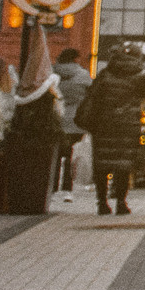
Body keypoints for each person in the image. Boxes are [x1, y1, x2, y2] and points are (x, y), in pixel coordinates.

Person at [74, 47, 145, 215]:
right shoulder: (139, 76)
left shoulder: (105, 75)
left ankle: (102, 202)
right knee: (123, 164)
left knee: (102, 164)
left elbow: (92, 97)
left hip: (104, 125)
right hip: (128, 126)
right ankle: (121, 202)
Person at [52, 46, 93, 194]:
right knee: (71, 153)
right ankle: (67, 187)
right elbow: (92, 95)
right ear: (75, 58)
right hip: (76, 121)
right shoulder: (83, 75)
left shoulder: (52, 73)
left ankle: (53, 186)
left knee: (56, 153)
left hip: (57, 118)